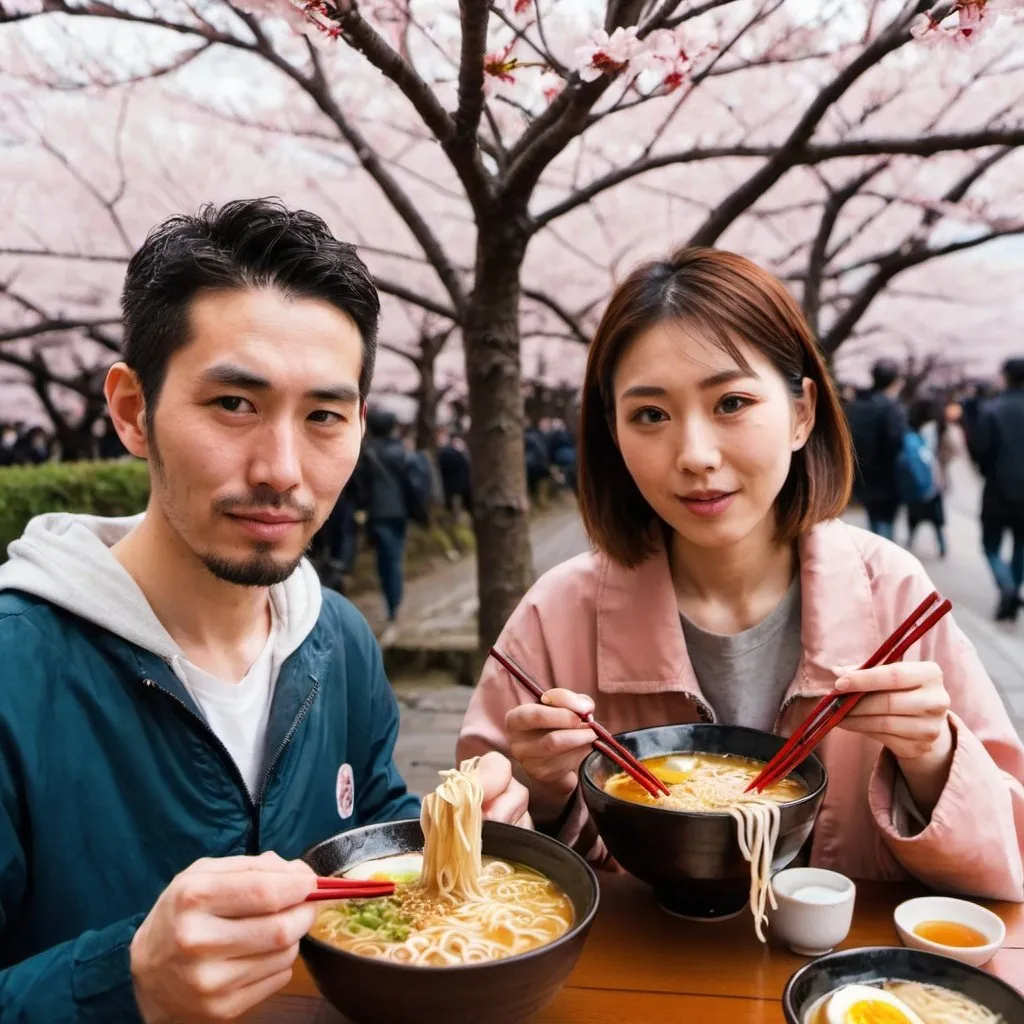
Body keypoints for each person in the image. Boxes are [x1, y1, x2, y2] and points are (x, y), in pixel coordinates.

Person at [0, 199, 528, 1024]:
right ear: (133, 411)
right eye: (235, 406)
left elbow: (369, 837)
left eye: (323, 416)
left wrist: (440, 840)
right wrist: (128, 982)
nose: (284, 470)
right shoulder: (16, 671)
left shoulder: (338, 639)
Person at [457, 247, 1024, 900]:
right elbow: (469, 871)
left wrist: (933, 762)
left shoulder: (892, 593)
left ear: (802, 412)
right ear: (612, 433)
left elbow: (1009, 868)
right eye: (650, 415)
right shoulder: (555, 614)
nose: (695, 455)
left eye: (731, 402)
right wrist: (541, 794)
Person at [350, 408, 417, 644]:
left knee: (386, 561)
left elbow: (361, 486)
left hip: (377, 513)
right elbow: (410, 483)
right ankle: (394, 604)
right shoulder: (400, 452)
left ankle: (393, 604)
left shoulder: (367, 453)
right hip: (398, 512)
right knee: (394, 558)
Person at [970, 357, 1024, 622]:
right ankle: (1013, 591)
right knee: (1021, 545)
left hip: (998, 488)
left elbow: (982, 451)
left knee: (990, 545)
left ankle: (1007, 588)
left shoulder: (993, 409)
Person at [845, 359, 906, 540]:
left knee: (873, 516)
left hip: (865, 472)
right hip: (888, 475)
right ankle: (884, 559)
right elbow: (895, 441)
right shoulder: (891, 407)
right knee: (886, 521)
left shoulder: (859, 404)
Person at [903, 399, 946, 558]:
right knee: (936, 517)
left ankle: (911, 539)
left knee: (916, 514)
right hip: (931, 478)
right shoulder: (935, 427)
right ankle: (942, 545)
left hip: (922, 479)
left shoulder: (914, 432)